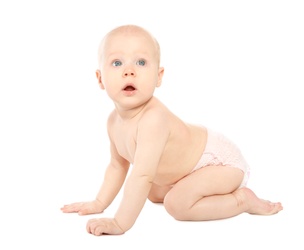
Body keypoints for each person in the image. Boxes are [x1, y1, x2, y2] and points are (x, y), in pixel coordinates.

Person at [60, 24, 283, 236]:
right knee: (152, 192)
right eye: (117, 63)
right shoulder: (112, 121)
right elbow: (118, 166)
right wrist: (99, 203)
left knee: (176, 204)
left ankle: (241, 201)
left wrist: (120, 222)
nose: (129, 71)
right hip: (188, 167)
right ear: (100, 79)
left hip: (219, 163)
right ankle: (185, 187)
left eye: (141, 62)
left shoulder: (153, 119)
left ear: (159, 76)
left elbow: (142, 175)